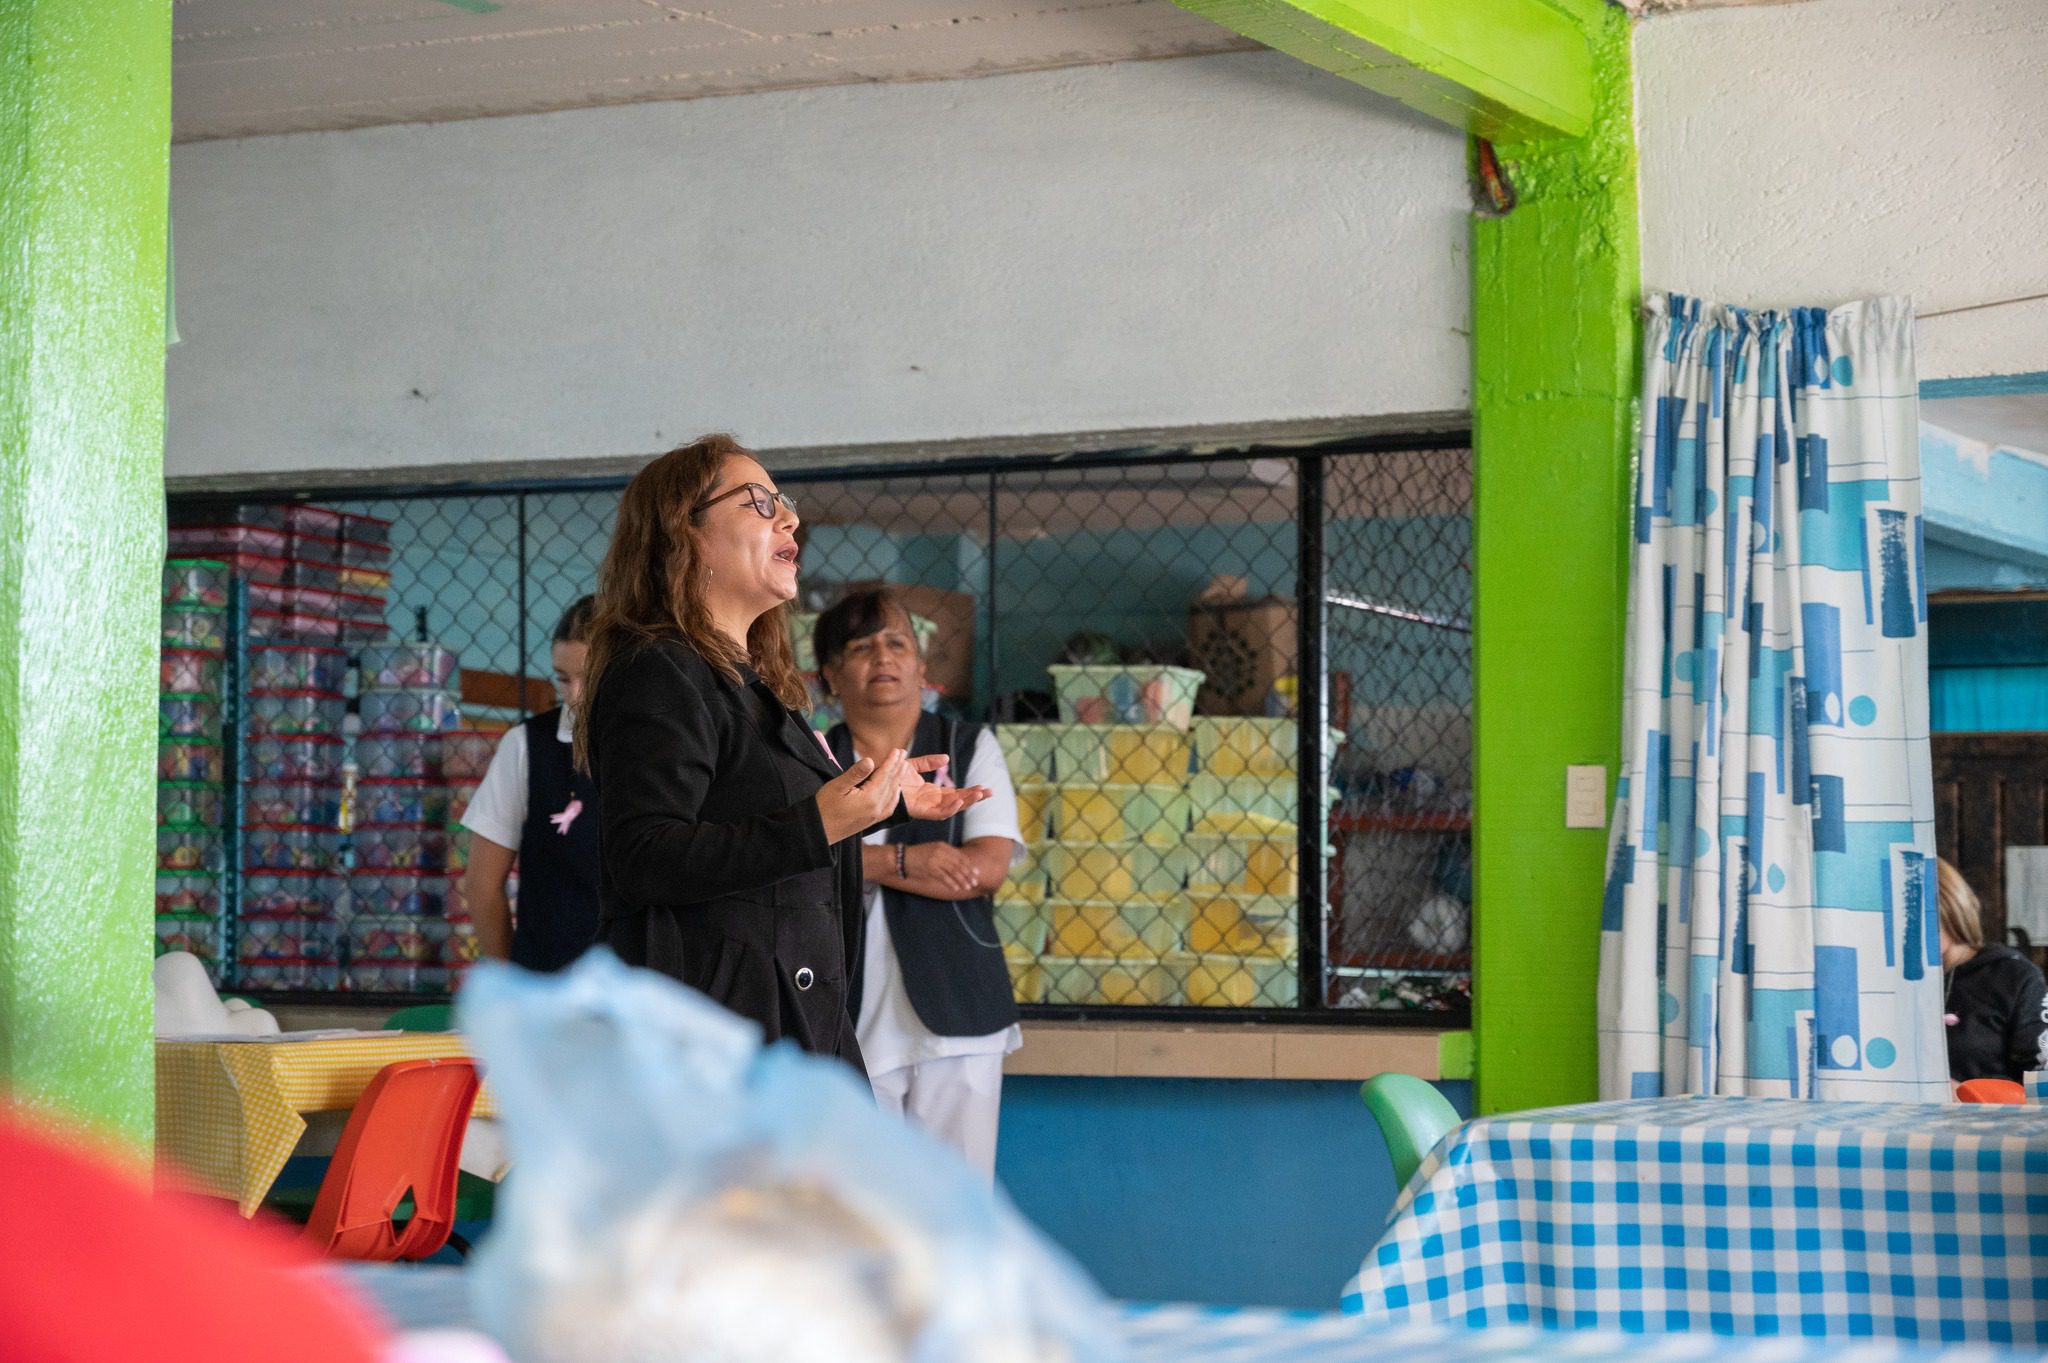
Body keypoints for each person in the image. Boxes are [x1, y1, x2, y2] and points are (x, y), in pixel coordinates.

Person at [576, 434, 988, 1069]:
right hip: (715, 1043)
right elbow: (644, 857)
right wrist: (824, 819)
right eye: (759, 503)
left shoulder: (751, 680)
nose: (790, 517)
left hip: (789, 1023)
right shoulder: (660, 671)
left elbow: (762, 822)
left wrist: (879, 802)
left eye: (784, 503)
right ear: (686, 533)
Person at [816, 589, 1023, 1176]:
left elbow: (986, 867)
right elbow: (792, 866)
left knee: (957, 1214)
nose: (882, 656)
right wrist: (905, 863)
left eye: (896, 642)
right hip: (843, 1017)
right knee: (862, 1218)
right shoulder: (812, 758)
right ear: (830, 674)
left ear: (921, 666)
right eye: (860, 646)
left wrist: (847, 861)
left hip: (958, 1012)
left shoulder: (969, 746)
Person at [461, 595, 602, 972]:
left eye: (590, 679)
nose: (574, 696)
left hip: (643, 995)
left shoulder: (661, 746)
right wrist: (513, 983)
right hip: (547, 985)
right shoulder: (526, 746)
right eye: (562, 679)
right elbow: (481, 884)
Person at [1939, 856, 2048, 1084]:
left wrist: (1970, 1096)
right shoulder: (1877, 979)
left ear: (1950, 906)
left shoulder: (2012, 976)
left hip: (1990, 1119)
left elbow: (2044, 1086)